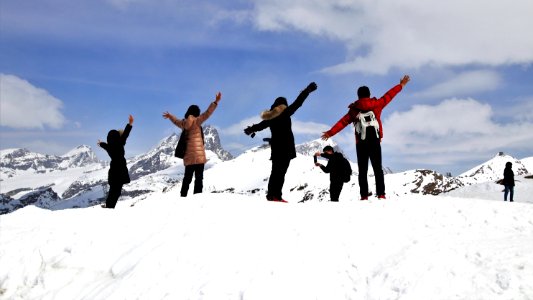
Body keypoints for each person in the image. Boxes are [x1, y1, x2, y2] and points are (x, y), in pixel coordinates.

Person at [321, 75, 410, 200]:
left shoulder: (353, 110)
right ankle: (381, 194)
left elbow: (343, 122)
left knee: (362, 171)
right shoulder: (377, 104)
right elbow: (388, 96)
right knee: (377, 168)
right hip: (375, 141)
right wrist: (401, 85)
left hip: (361, 143)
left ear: (358, 96)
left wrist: (330, 133)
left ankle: (364, 196)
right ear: (369, 94)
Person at [244, 82, 318, 202]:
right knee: (281, 172)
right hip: (286, 147)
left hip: (276, 147)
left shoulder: (270, 118)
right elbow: (298, 103)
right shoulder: (286, 112)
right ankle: (276, 196)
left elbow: (260, 126)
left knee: (275, 171)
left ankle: (271, 195)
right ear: (284, 105)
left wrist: (250, 129)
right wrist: (307, 91)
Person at [163, 92, 222, 197]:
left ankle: (183, 196)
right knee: (199, 178)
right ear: (197, 113)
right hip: (199, 157)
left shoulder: (184, 123)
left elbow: (176, 121)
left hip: (189, 157)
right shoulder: (198, 121)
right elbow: (208, 113)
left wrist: (170, 116)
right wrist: (216, 102)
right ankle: (197, 197)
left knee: (187, 178)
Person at [97, 115, 134, 208]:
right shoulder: (120, 143)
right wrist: (130, 124)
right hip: (121, 169)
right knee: (117, 191)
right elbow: (126, 134)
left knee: (113, 190)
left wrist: (100, 143)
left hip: (114, 169)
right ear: (117, 136)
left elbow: (104, 145)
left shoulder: (109, 146)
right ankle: (110, 206)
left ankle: (109, 205)